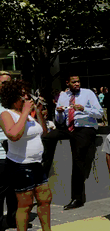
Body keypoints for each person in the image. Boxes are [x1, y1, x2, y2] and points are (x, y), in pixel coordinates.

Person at [0, 80, 70, 231]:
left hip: (36, 163)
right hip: (20, 165)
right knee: (25, 204)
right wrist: (25, 113)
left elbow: (44, 132)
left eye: (27, 94)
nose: (27, 97)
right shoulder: (7, 114)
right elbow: (13, 135)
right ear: (13, 97)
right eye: (23, 95)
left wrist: (37, 113)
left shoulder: (28, 115)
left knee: (45, 199)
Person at [41, 74, 103, 210]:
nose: (77, 84)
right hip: (68, 127)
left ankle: (77, 198)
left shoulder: (88, 93)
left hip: (85, 127)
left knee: (77, 158)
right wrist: (59, 113)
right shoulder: (63, 96)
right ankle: (44, 170)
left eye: (78, 81)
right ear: (67, 83)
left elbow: (100, 114)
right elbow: (59, 119)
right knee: (47, 137)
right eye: (74, 82)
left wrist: (84, 109)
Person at [0, 71, 16, 231]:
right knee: (0, 192)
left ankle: (13, 219)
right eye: (3, 83)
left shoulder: (13, 103)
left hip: (15, 153)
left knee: (14, 190)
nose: (6, 86)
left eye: (8, 83)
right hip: (1, 154)